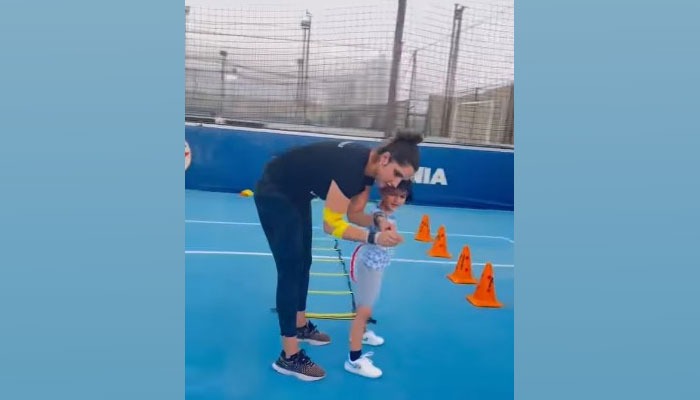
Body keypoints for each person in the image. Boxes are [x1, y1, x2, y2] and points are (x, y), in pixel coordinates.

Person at [253, 131, 423, 381]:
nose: (395, 185)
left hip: (296, 194)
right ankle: (288, 357)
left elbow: (354, 215)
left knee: (304, 262)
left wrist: (378, 220)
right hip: (275, 191)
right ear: (385, 159)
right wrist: (374, 238)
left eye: (403, 180)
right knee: (290, 268)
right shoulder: (350, 169)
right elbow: (331, 225)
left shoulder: (367, 172)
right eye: (397, 174)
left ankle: (300, 326)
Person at [344, 180, 411, 379]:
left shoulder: (391, 215)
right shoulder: (377, 214)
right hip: (369, 268)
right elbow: (379, 221)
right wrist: (392, 235)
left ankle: (362, 333)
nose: (397, 200)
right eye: (392, 194)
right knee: (364, 311)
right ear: (382, 192)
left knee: (365, 307)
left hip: (376, 266)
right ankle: (354, 360)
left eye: (402, 196)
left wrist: (395, 237)